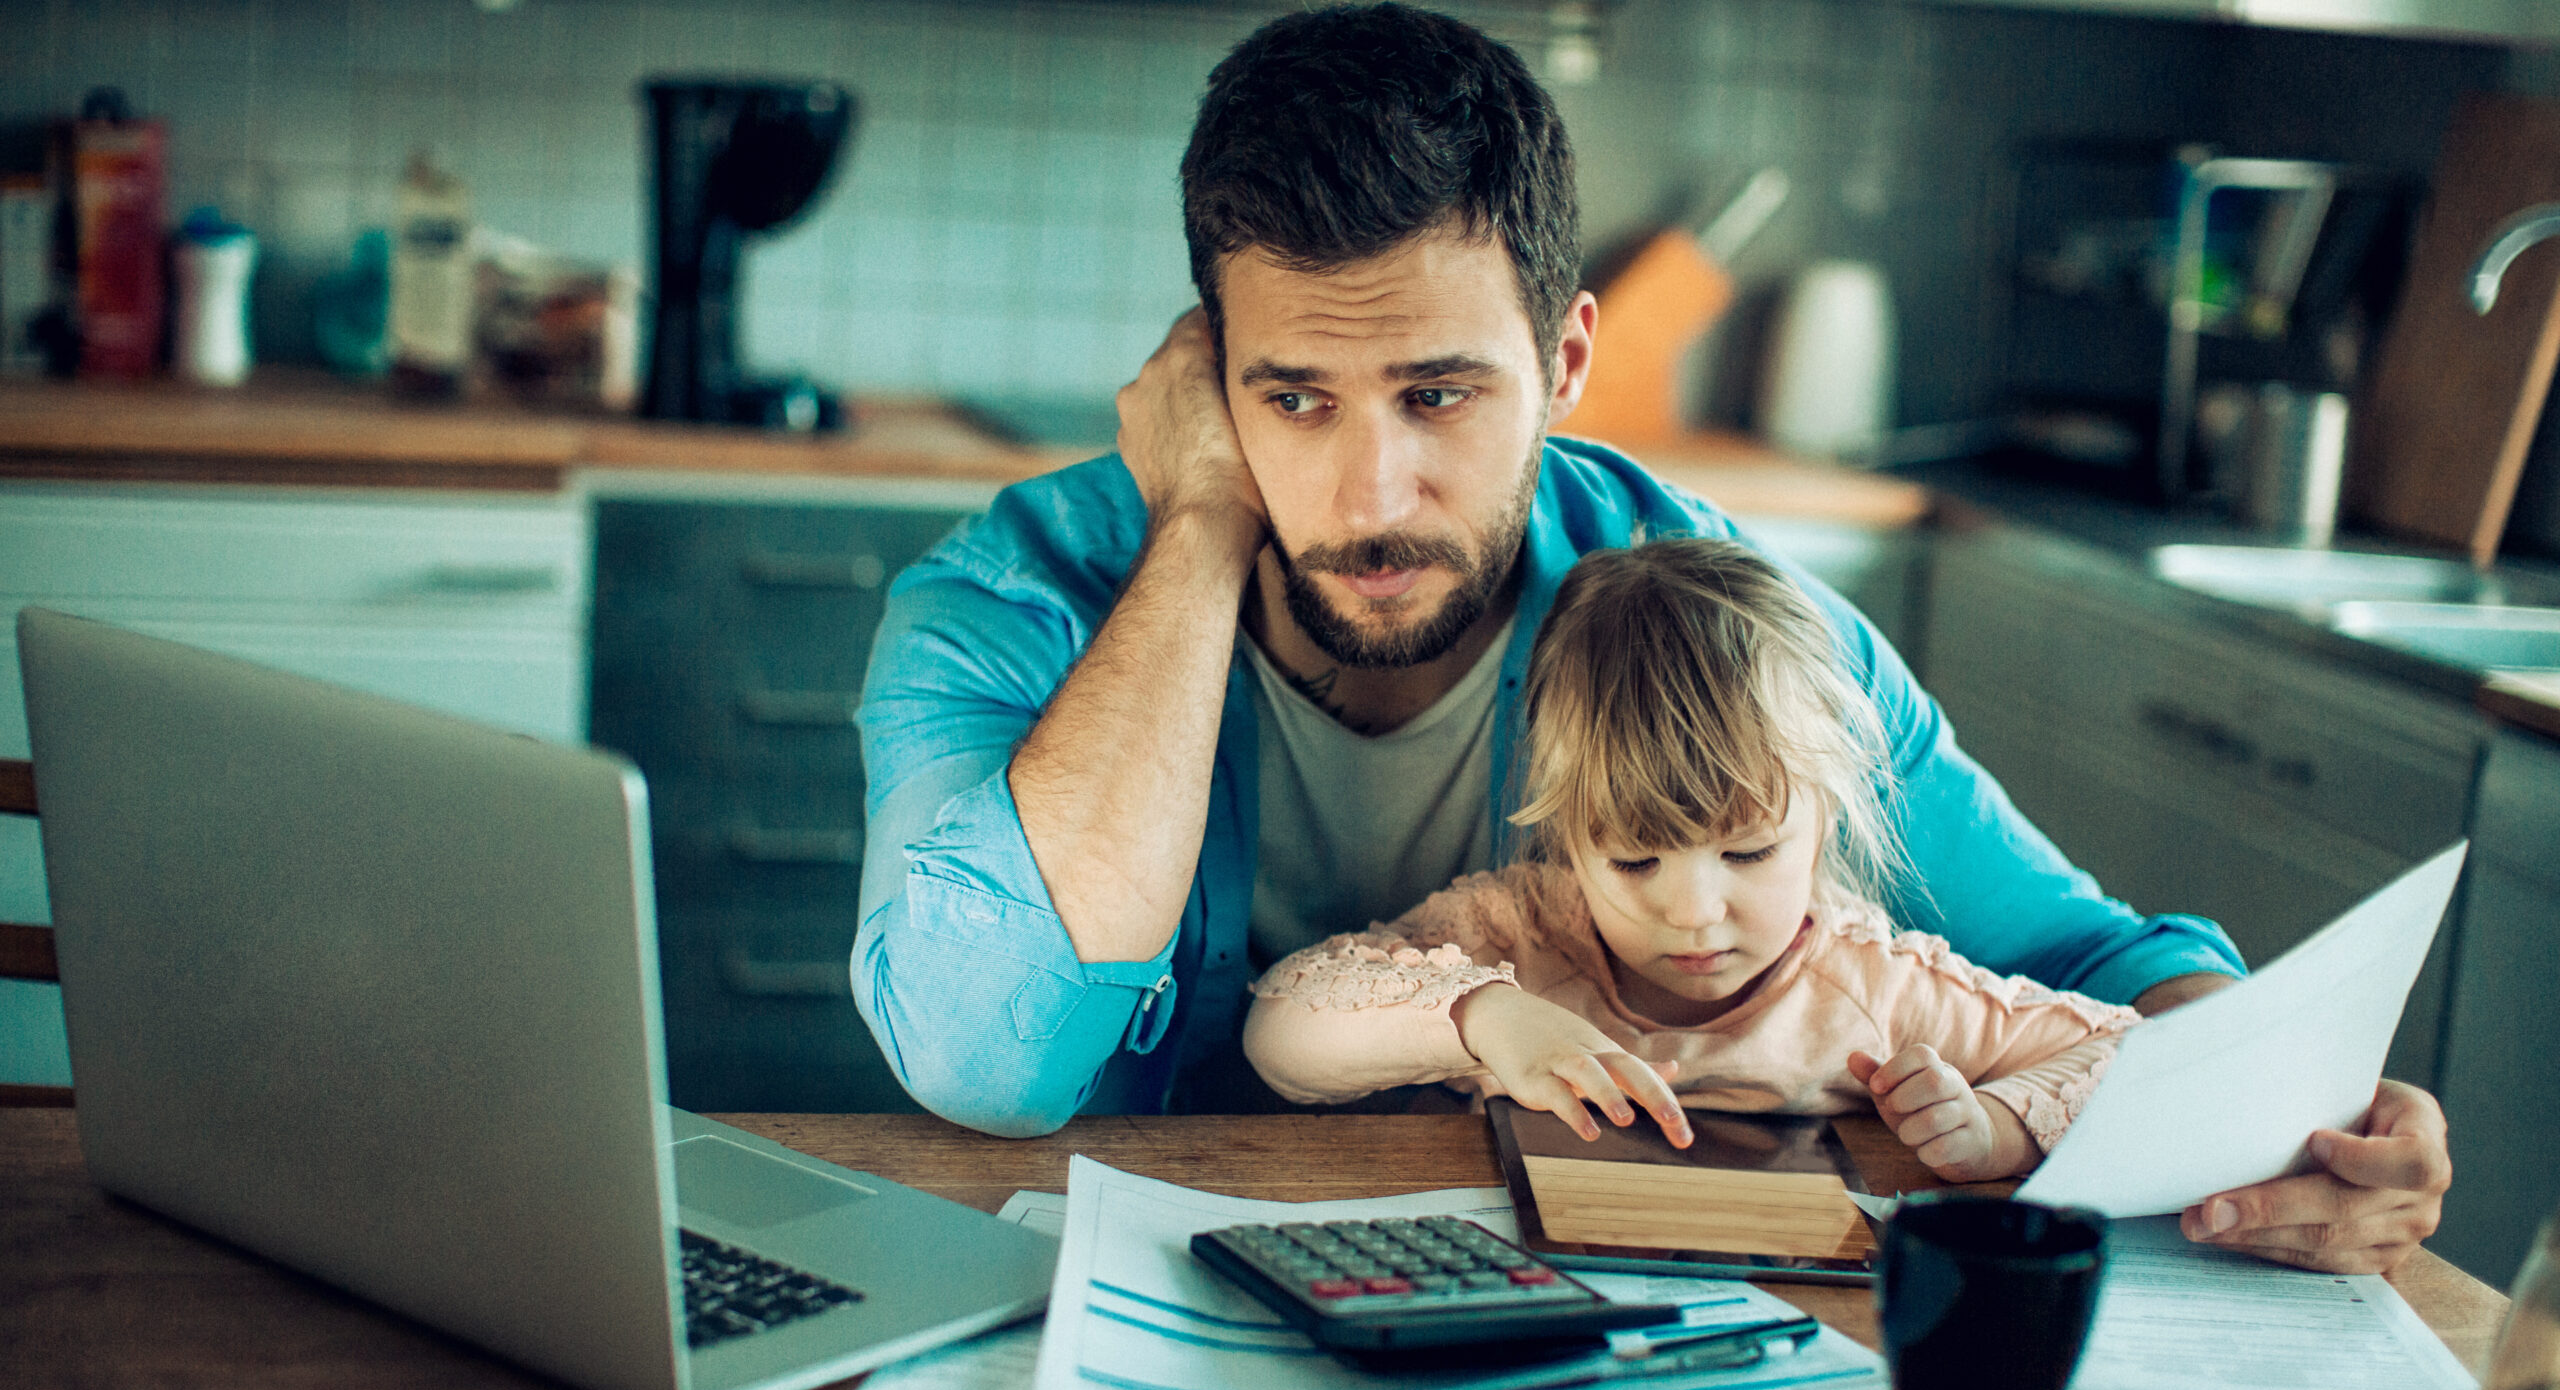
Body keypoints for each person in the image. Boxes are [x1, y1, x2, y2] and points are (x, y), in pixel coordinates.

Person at [851, 2, 2450, 1273]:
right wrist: (1198, 528)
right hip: (1127, 1306)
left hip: (1568, 1324)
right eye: (1293, 397)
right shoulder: (1015, 598)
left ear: (1565, 360)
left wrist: (2289, 1120)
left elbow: (2097, 962)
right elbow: (986, 1055)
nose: (1367, 492)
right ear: (1206, 375)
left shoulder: (1700, 611)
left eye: (1439, 393)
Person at [1244, 538, 2140, 1184]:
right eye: (1635, 862)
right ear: (1568, 831)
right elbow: (1278, 1032)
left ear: (1825, 819)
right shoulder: (1518, 933)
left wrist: (1998, 1127)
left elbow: (2130, 1052)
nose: (1695, 911)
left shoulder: (1876, 986)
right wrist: (1484, 1017)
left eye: (1748, 850)